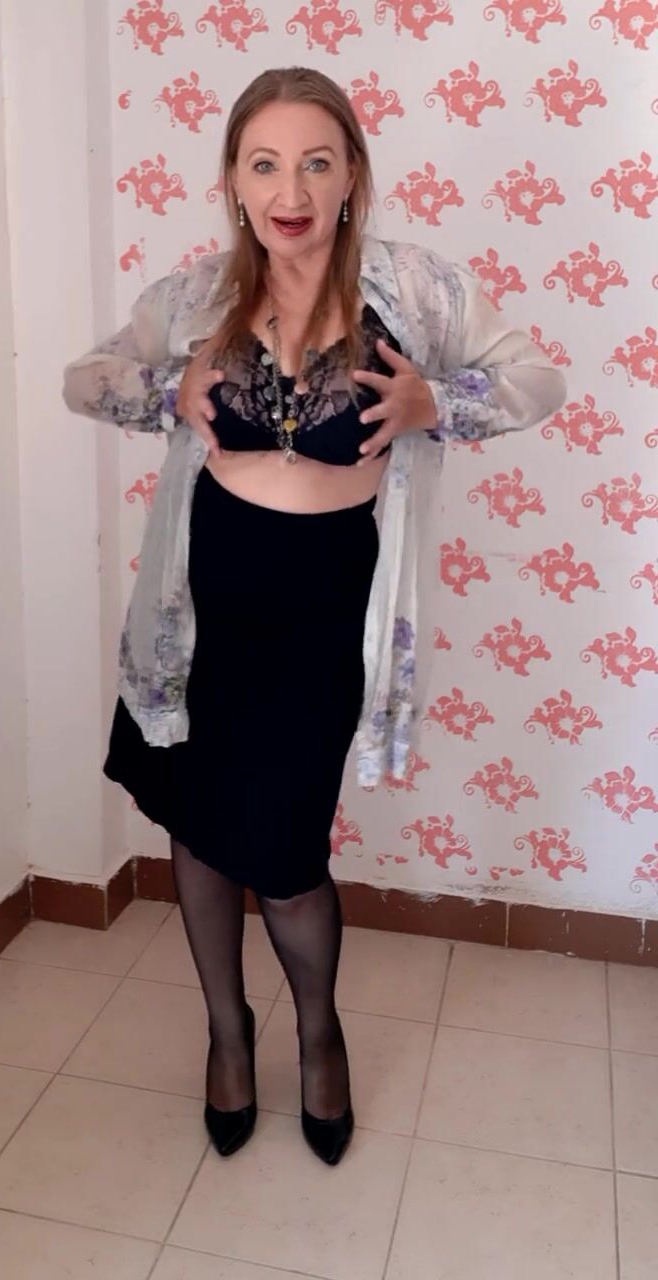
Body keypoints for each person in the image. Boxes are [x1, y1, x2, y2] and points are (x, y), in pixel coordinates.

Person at [63, 66, 567, 1166]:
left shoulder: (416, 290)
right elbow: (83, 378)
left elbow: (537, 379)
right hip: (200, 606)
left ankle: (320, 1034)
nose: (289, 190)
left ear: (351, 178)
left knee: (288, 859)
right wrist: (165, 392)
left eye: (315, 162)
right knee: (197, 826)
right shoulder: (195, 299)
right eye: (265, 164)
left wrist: (440, 401)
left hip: (325, 606)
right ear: (234, 182)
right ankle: (227, 1032)